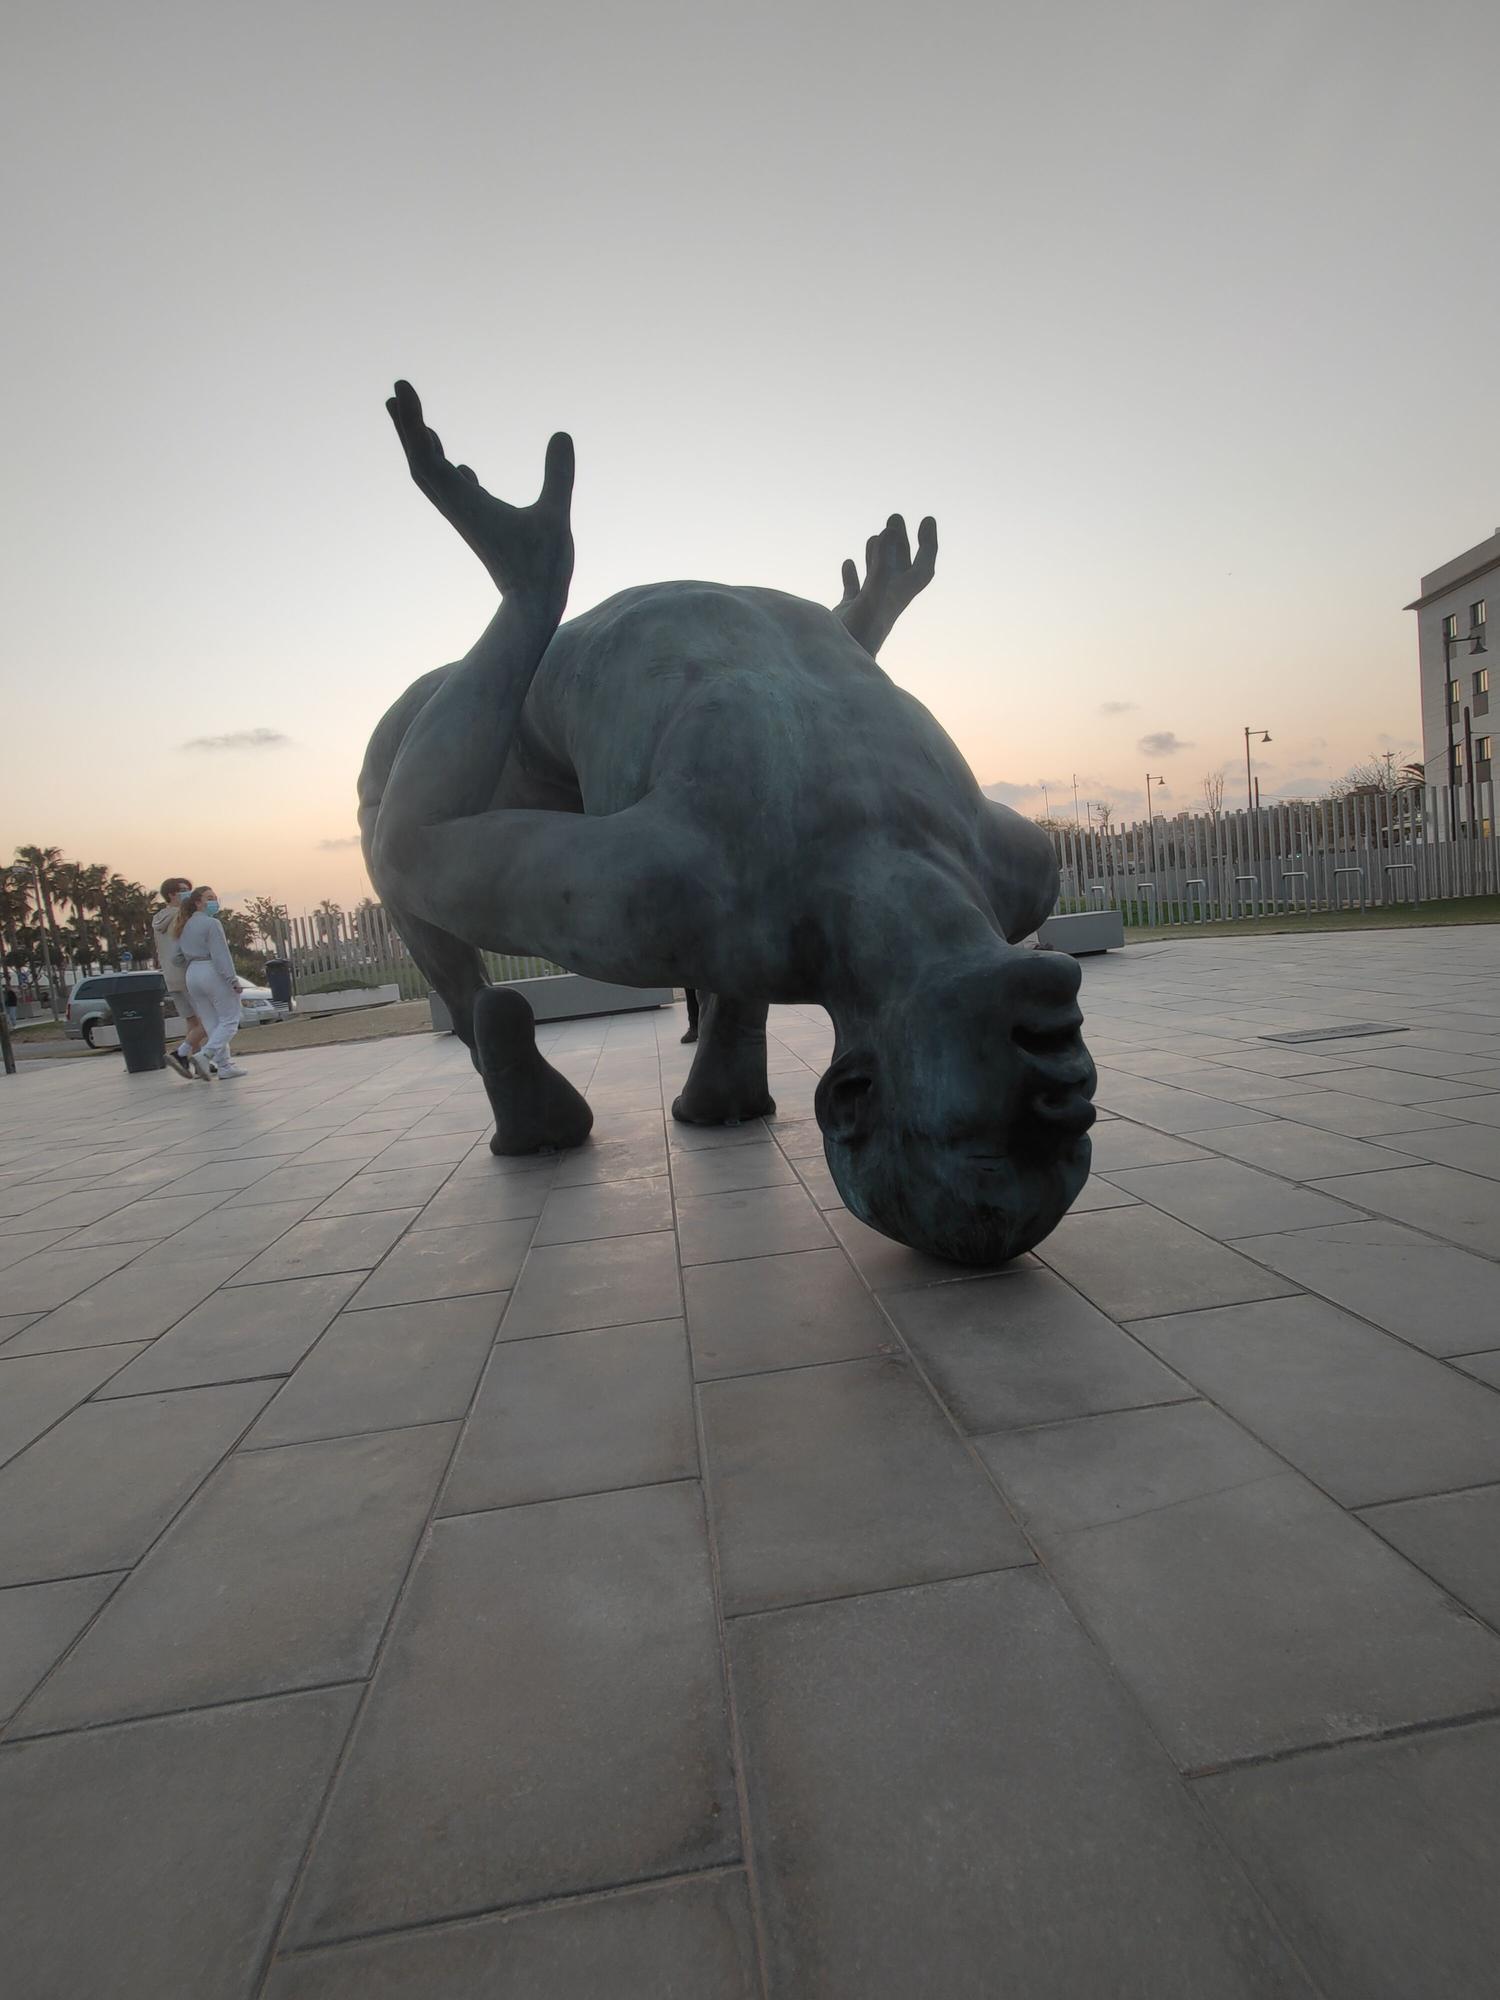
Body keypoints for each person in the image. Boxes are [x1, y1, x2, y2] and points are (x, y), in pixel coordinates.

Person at [170, 886, 247, 1080]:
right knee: (230, 1020)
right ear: (197, 902)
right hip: (210, 970)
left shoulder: (183, 925)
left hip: (192, 973)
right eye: (209, 898)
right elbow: (221, 955)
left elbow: (176, 958)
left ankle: (224, 1065)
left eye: (214, 897)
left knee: (211, 1022)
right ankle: (206, 1055)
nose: (213, 901)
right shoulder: (211, 924)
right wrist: (232, 979)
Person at [153, 877, 210, 1079]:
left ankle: (198, 1062)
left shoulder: (159, 918)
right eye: (184, 890)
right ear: (172, 894)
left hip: (171, 977)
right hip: (188, 973)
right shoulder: (182, 916)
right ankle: (182, 1054)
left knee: (192, 1021)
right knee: (212, 1019)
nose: (189, 893)